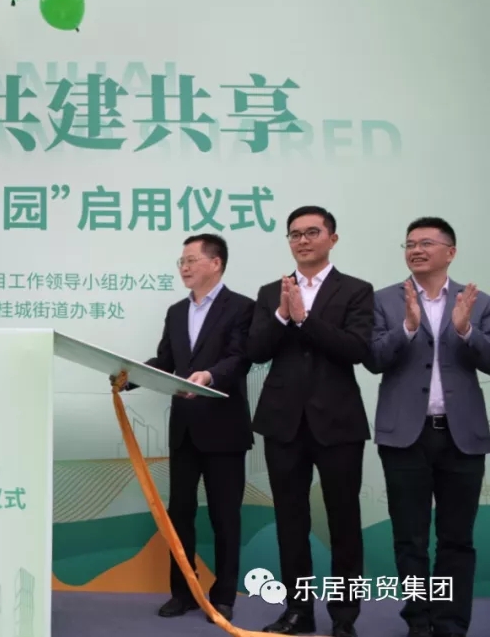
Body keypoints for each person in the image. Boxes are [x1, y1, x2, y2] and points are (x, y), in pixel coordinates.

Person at [111, 234, 254, 623]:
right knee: (181, 514)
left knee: (225, 518)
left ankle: (223, 596)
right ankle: (184, 592)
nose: (184, 267)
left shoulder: (242, 307)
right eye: (181, 261)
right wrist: (128, 377)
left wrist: (210, 375)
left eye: (191, 260)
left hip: (224, 430)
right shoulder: (176, 312)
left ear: (216, 263)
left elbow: (240, 358)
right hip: (185, 431)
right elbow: (166, 361)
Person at [246, 206, 373, 637]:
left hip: (338, 423)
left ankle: (344, 617)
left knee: (343, 522)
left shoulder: (356, 290)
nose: (302, 240)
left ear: (332, 238)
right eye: (295, 234)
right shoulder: (271, 292)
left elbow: (356, 348)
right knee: (290, 521)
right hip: (283, 423)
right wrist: (283, 316)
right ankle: (298, 612)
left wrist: (304, 319)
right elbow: (256, 351)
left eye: (312, 232)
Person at [364, 217, 489, 637]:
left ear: (450, 252)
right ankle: (418, 622)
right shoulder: (384, 300)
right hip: (404, 436)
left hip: (462, 436)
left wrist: (466, 330)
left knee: (457, 539)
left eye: (426, 243)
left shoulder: (478, 302)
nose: (416, 250)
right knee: (410, 538)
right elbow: (373, 359)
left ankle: (451, 625)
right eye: (410, 244)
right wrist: (408, 328)